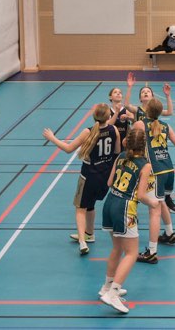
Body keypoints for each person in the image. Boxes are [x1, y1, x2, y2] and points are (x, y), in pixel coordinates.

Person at [43, 103, 120, 255]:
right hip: (105, 176)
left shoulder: (88, 132)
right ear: (109, 116)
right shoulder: (114, 129)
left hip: (89, 176)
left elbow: (68, 149)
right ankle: (89, 234)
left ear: (94, 116)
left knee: (80, 208)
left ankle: (82, 242)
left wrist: (52, 138)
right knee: (90, 205)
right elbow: (117, 152)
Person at [98, 128, 157, 314]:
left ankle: (106, 287)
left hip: (110, 203)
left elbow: (109, 183)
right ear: (144, 145)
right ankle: (113, 293)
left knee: (117, 248)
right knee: (131, 253)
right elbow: (141, 195)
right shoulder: (145, 165)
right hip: (124, 208)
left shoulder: (121, 157)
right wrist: (153, 202)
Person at [134, 98, 175, 265]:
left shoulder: (140, 124)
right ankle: (169, 233)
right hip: (169, 169)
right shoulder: (166, 126)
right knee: (161, 201)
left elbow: (128, 143)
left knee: (154, 211)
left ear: (146, 110)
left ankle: (151, 252)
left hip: (155, 171)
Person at [123, 72, 175, 212]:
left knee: (156, 176)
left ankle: (166, 198)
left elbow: (170, 112)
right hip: (139, 148)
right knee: (137, 174)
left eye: (148, 91)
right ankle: (134, 197)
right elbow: (126, 104)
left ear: (153, 97)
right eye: (143, 92)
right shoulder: (137, 110)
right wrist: (129, 87)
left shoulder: (156, 110)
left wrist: (167, 96)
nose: (145, 93)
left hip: (153, 148)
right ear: (140, 98)